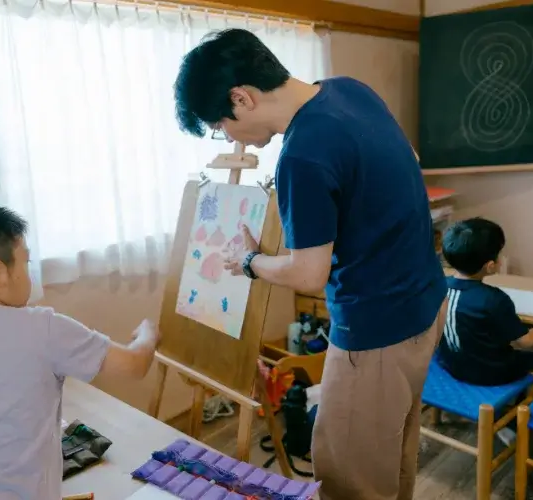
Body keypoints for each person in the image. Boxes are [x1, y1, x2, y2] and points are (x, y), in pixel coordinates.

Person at [173, 28, 446, 500]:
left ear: (241, 98)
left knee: (349, 478)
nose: (229, 139)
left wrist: (251, 261)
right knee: (391, 454)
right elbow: (408, 158)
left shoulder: (300, 155)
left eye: (220, 125)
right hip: (424, 303)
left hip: (376, 331)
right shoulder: (348, 89)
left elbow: (308, 274)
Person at [0, 202, 160, 500]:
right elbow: (134, 365)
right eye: (26, 262)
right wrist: (148, 333)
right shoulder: (41, 327)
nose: (29, 274)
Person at [437, 217, 533, 392]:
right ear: (490, 266)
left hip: (449, 365)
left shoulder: (438, 286)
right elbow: (527, 342)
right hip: (490, 374)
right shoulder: (494, 299)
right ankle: (530, 403)